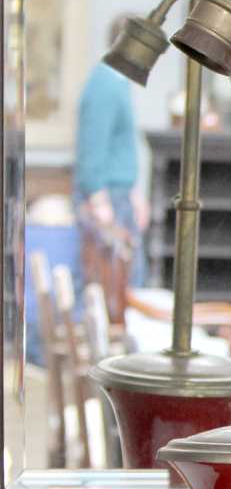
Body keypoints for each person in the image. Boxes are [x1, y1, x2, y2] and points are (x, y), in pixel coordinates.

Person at [73, 16, 149, 290]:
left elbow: (120, 145)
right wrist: (98, 200)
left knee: (125, 280)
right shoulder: (105, 83)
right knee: (109, 283)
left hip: (119, 195)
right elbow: (92, 146)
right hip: (108, 198)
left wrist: (135, 193)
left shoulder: (118, 82)